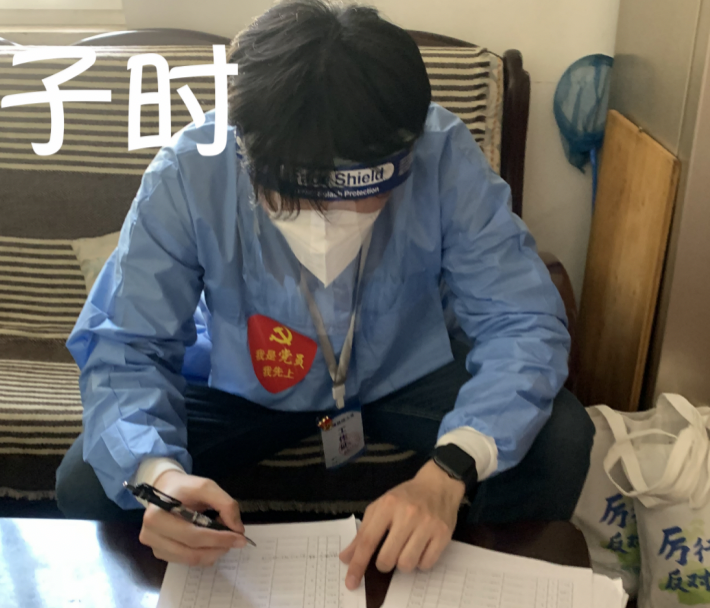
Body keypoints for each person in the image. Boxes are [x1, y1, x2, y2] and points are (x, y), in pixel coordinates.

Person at [56, 0, 594, 591]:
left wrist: (449, 472)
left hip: (402, 372)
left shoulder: (442, 153)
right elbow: (126, 343)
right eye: (295, 194)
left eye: (354, 192)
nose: (325, 220)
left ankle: (477, 585)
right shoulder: (190, 171)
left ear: (404, 154)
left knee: (561, 438)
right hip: (244, 385)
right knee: (88, 479)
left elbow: (522, 320)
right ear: (246, 147)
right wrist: (159, 479)